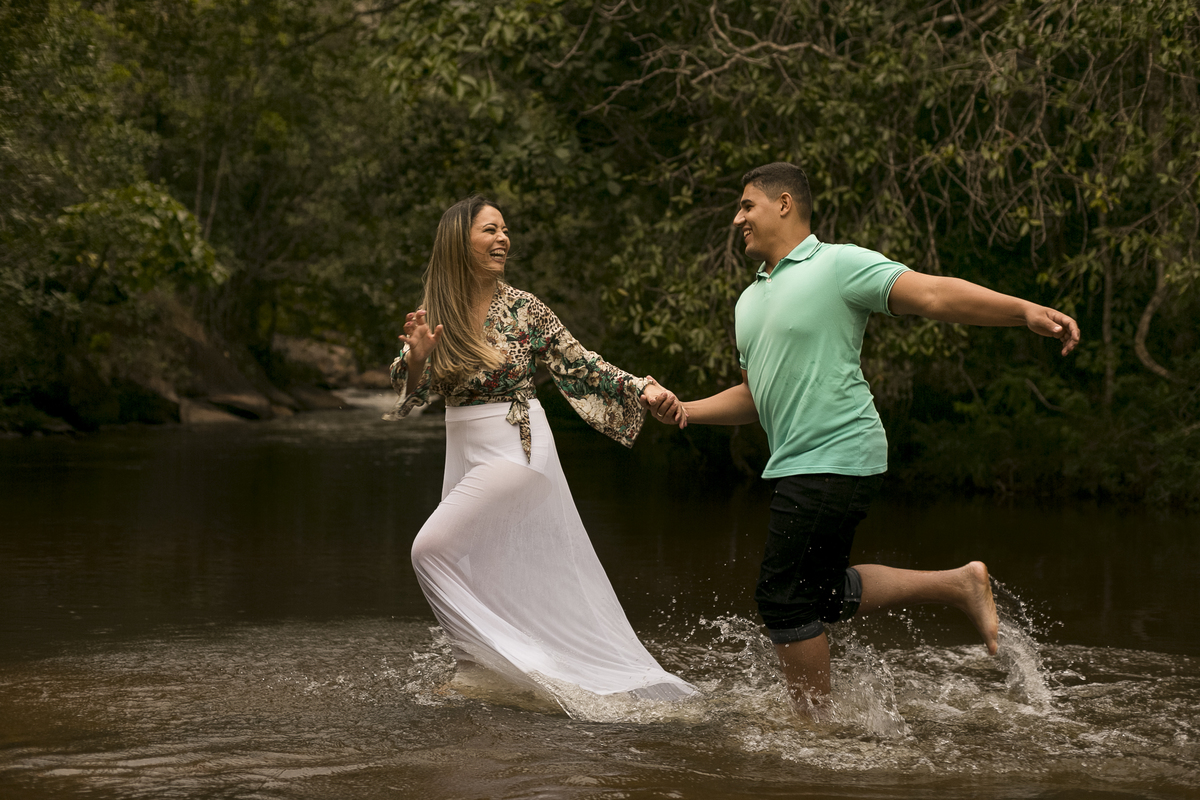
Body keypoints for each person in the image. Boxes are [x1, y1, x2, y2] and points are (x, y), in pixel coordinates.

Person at [648, 162, 1080, 714]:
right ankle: (959, 584)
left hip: (837, 453)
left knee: (782, 598)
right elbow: (754, 398)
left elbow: (933, 296)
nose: (737, 219)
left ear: (784, 204)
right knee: (821, 593)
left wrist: (1022, 312)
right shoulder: (748, 301)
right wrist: (685, 409)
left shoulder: (838, 265)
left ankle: (815, 733)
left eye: (746, 206)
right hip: (799, 461)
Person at [385, 195, 696, 707]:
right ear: (458, 242)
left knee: (429, 550)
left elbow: (584, 365)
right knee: (473, 570)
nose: (503, 239)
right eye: (490, 230)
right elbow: (409, 395)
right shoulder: (437, 317)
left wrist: (643, 388)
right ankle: (481, 669)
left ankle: (510, 668)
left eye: (505, 230)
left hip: (515, 449)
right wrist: (417, 359)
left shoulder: (525, 308)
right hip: (463, 451)